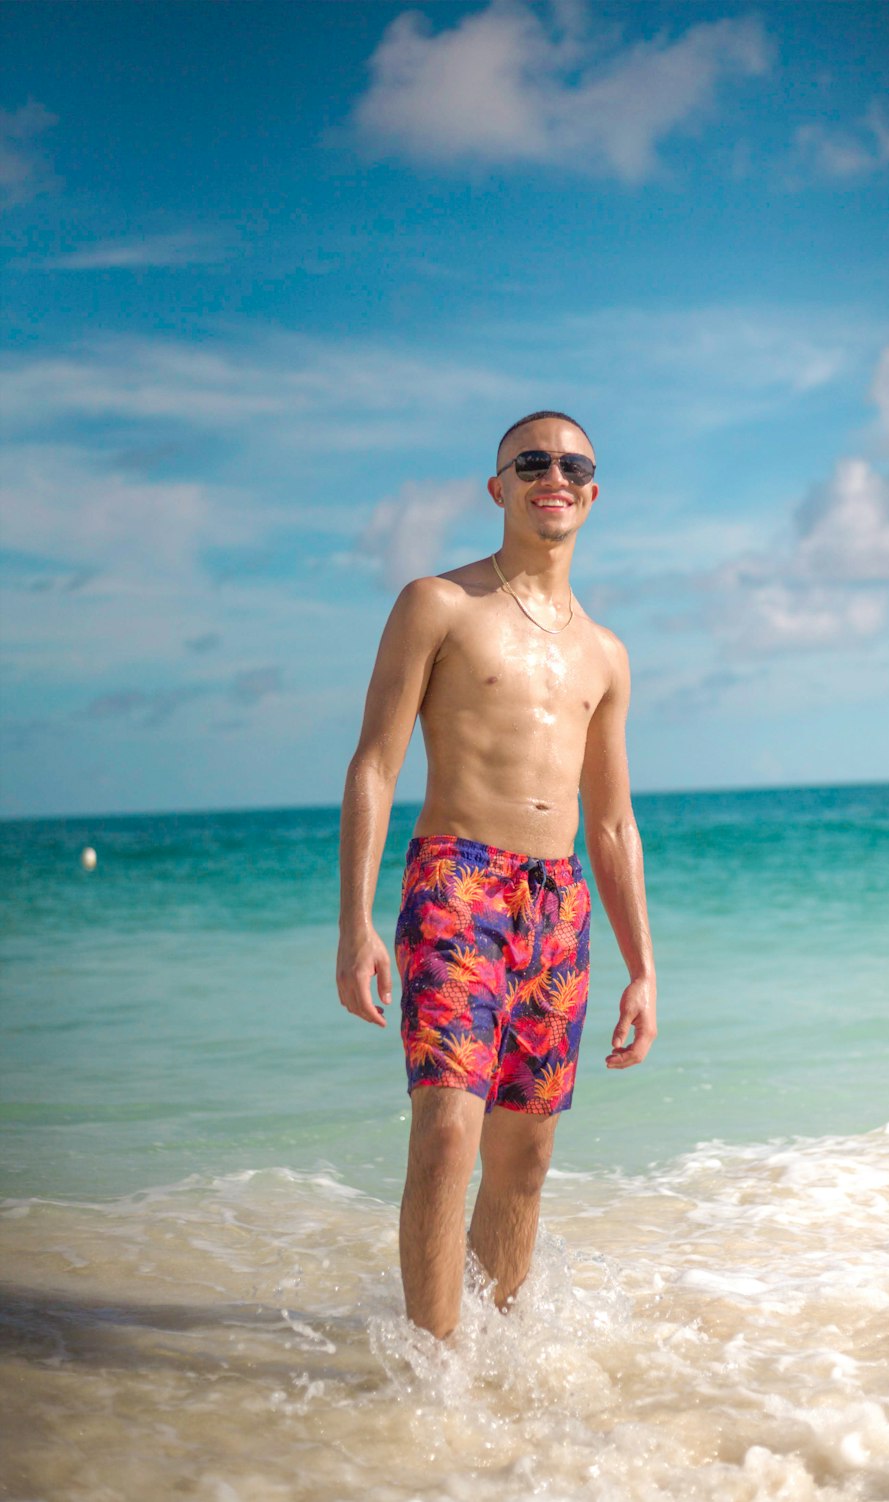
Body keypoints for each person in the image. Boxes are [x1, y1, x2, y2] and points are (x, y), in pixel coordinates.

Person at [337, 411, 657, 1339]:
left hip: (558, 904)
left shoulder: (606, 653)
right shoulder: (437, 603)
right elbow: (373, 766)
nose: (553, 474)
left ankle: (489, 1357)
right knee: (447, 1134)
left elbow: (612, 820)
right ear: (500, 487)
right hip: (456, 885)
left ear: (592, 494)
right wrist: (356, 922)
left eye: (573, 465)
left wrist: (643, 967)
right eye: (532, 460)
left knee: (526, 1156)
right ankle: (429, 1381)